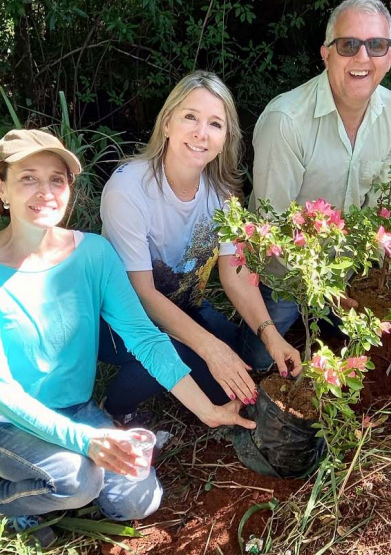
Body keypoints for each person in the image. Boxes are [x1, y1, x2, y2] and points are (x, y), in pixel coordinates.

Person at [0, 129, 255, 547]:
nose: (46, 191)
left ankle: (62, 478)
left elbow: (144, 339)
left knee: (140, 501)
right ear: (1, 187)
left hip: (74, 407)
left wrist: (207, 411)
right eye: (28, 178)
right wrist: (88, 441)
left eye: (57, 179)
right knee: (77, 481)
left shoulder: (94, 253)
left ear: (70, 189)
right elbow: (0, 391)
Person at [99, 71, 302, 424]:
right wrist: (208, 347)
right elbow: (143, 295)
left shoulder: (222, 194)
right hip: (119, 322)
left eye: (215, 124)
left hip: (184, 306)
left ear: (225, 139)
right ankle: (115, 411)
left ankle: (186, 371)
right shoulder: (127, 189)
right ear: (166, 123)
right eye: (190, 116)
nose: (200, 133)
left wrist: (271, 335)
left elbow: (235, 275)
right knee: (172, 354)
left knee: (244, 366)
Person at [249, 0, 391, 343]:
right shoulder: (286, 121)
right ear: (326, 54)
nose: (363, 58)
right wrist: (318, 285)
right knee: (260, 361)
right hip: (283, 274)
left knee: (372, 352)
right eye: (348, 44)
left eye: (376, 45)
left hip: (350, 271)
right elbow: (271, 226)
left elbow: (385, 207)